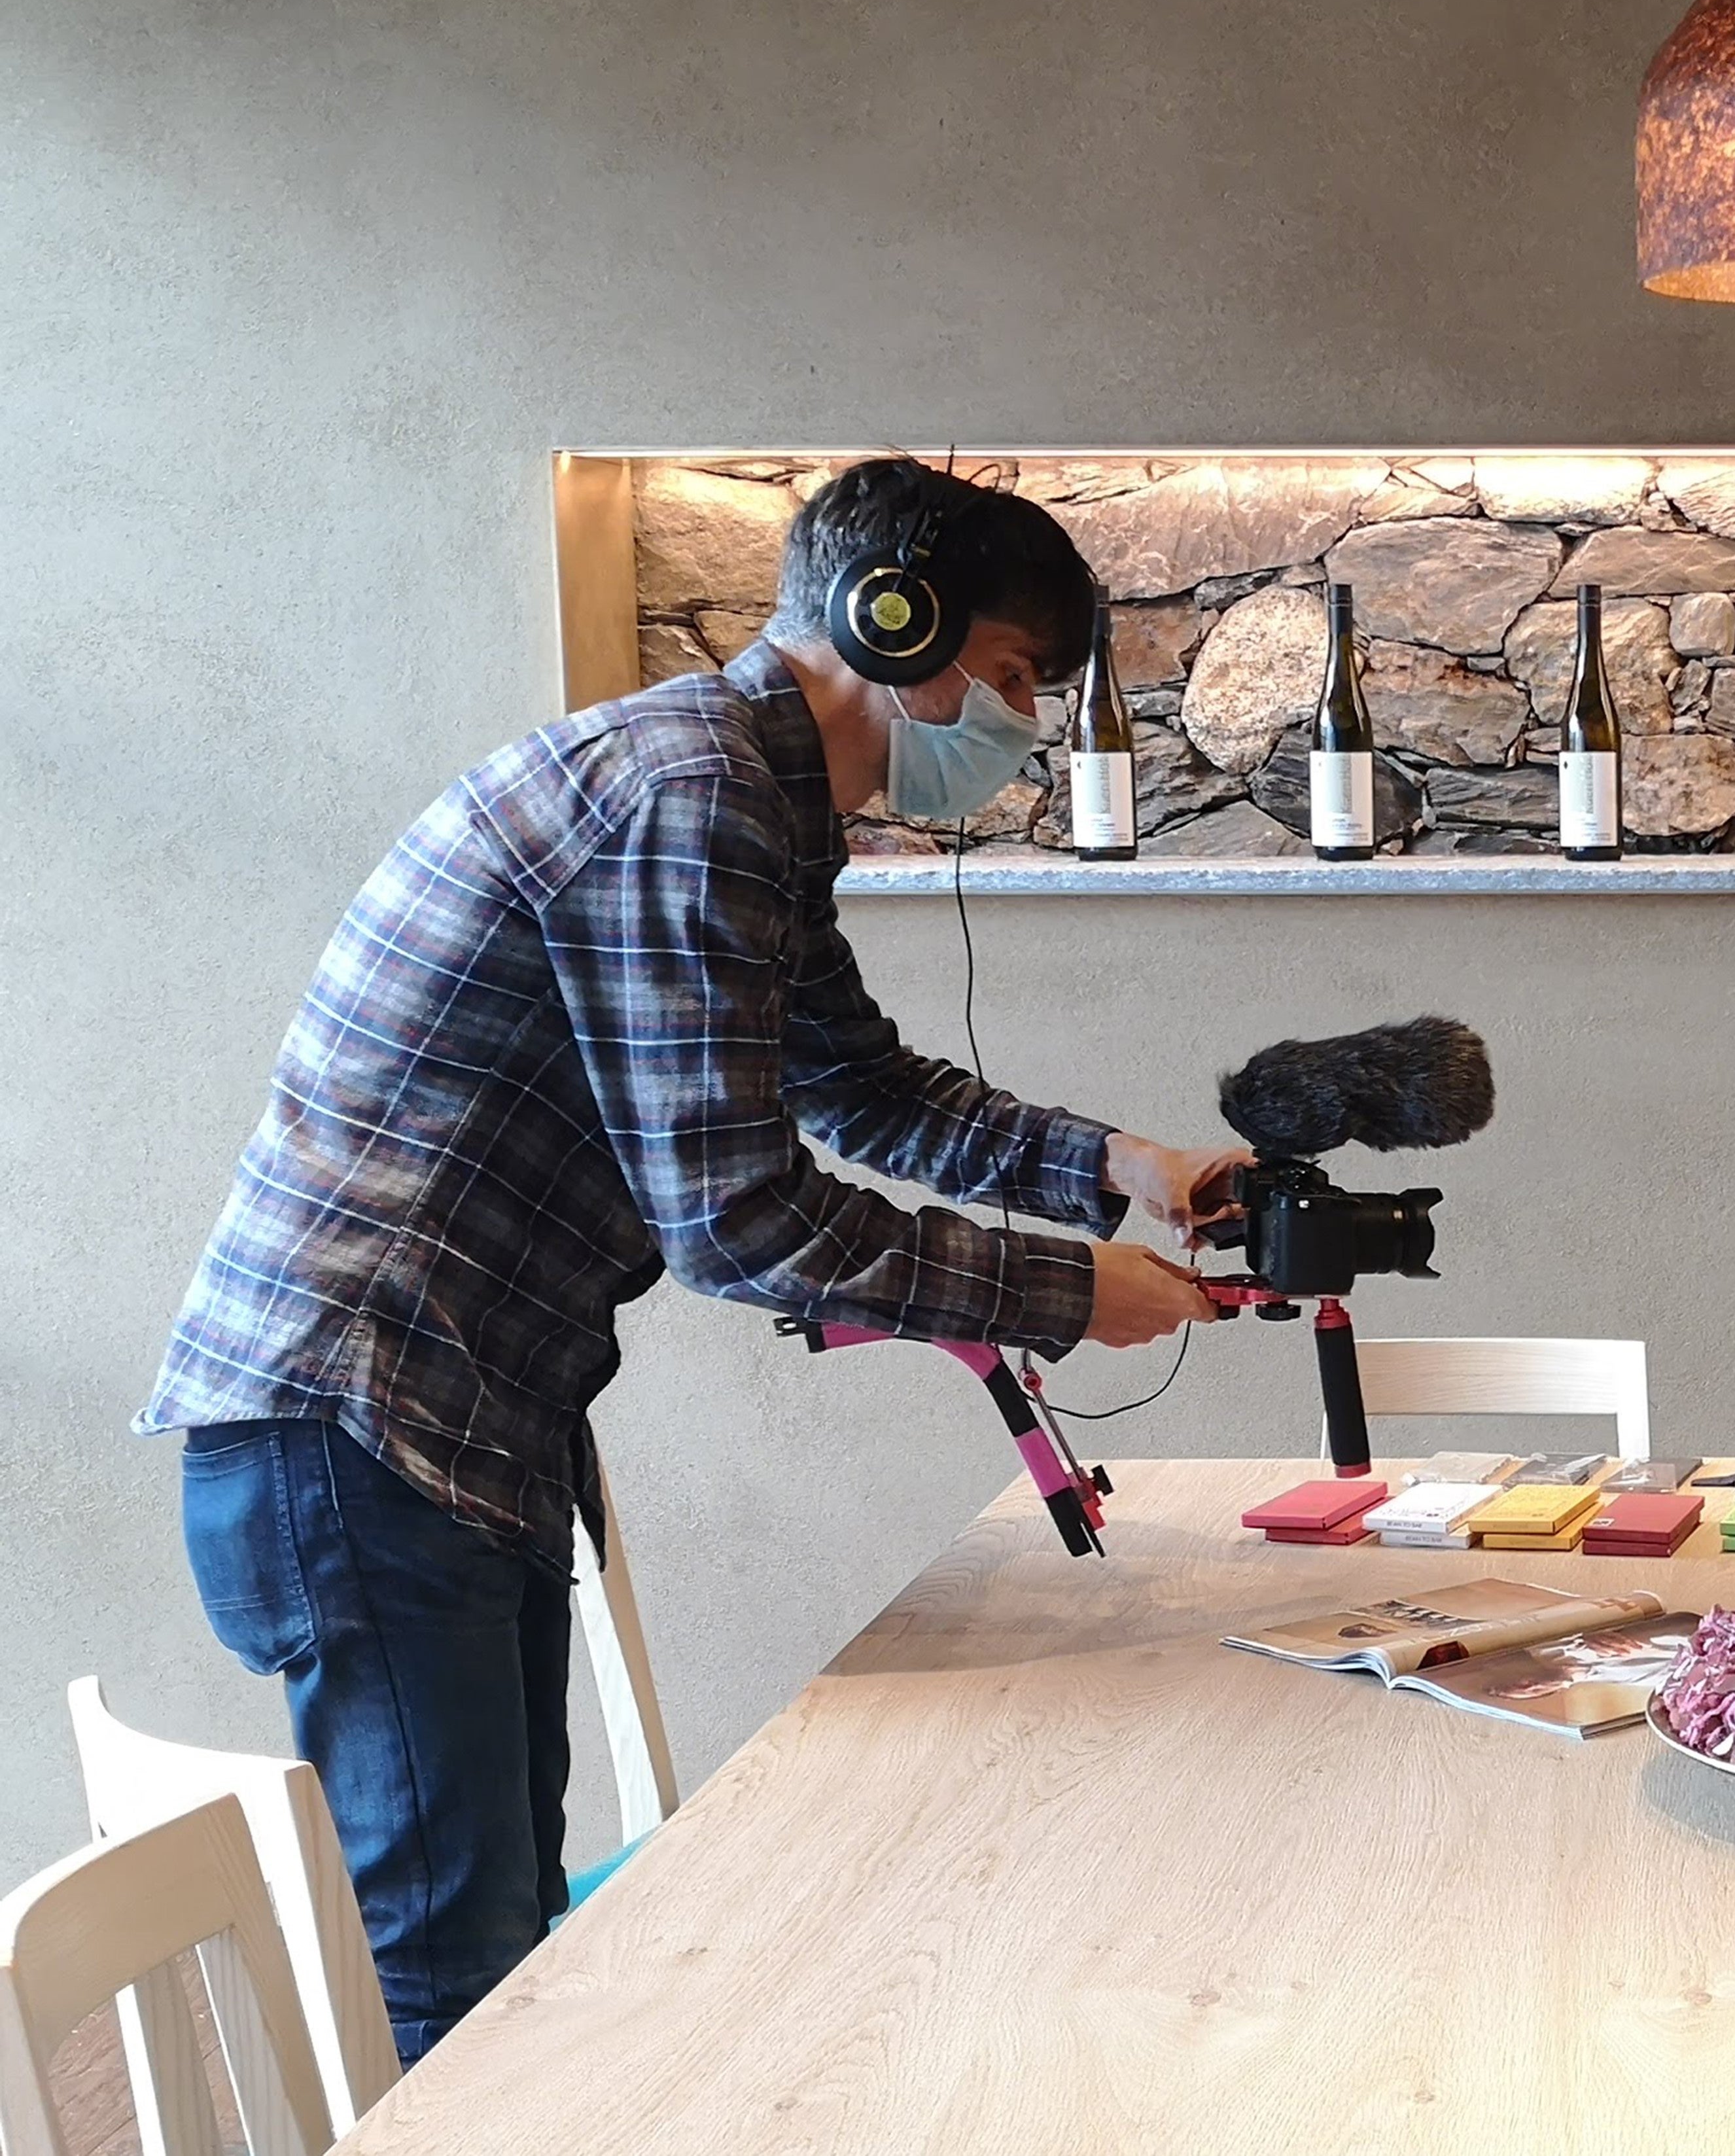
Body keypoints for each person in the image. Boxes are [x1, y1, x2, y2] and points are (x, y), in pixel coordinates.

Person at [138, 459, 1246, 2060]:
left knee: (494, 1942)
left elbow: (858, 1087)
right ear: (896, 622)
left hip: (427, 1430)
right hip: (362, 1429)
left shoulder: (746, 798)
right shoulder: (692, 798)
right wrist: (1069, 1295)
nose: (1020, 728)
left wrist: (1125, 1172)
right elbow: (740, 1223)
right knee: (456, 1979)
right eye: (1013, 677)